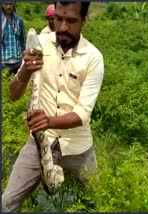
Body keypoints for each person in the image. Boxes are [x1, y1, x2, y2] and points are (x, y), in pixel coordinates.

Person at [2, 1, 104, 212]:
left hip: (78, 147)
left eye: (72, 20)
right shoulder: (39, 44)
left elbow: (83, 113)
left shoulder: (93, 58)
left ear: (84, 20)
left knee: (96, 203)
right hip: (39, 144)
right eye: (59, 18)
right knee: (7, 202)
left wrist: (48, 121)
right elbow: (13, 95)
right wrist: (25, 71)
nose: (63, 27)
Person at [1, 2, 26, 75]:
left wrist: (23, 56)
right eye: (6, 4)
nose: (8, 7)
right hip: (3, 61)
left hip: (17, 61)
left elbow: (22, 40)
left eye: (10, 4)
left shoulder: (19, 20)